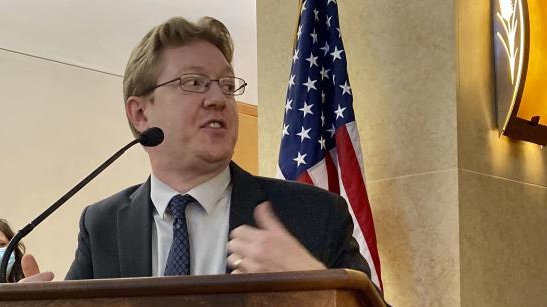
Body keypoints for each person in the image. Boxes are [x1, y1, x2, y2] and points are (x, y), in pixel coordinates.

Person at [21, 17, 377, 290]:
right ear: (141, 114)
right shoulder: (103, 225)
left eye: (226, 84)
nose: (218, 98)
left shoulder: (313, 213)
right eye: (193, 82)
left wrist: (315, 282)